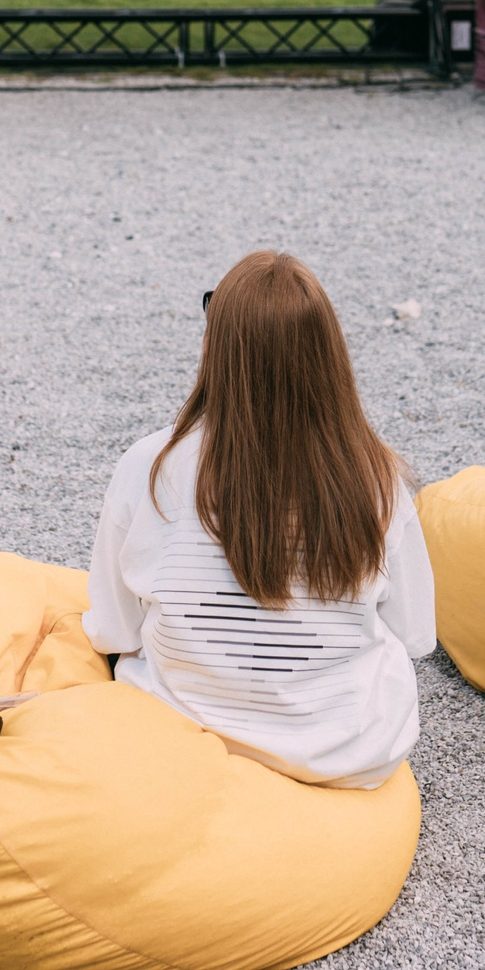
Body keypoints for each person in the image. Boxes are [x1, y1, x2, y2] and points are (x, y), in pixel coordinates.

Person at [84, 251, 435, 790]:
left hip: (182, 730)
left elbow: (114, 629)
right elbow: (414, 636)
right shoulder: (379, 479)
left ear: (216, 348)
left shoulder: (151, 467)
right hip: (345, 753)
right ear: (329, 354)